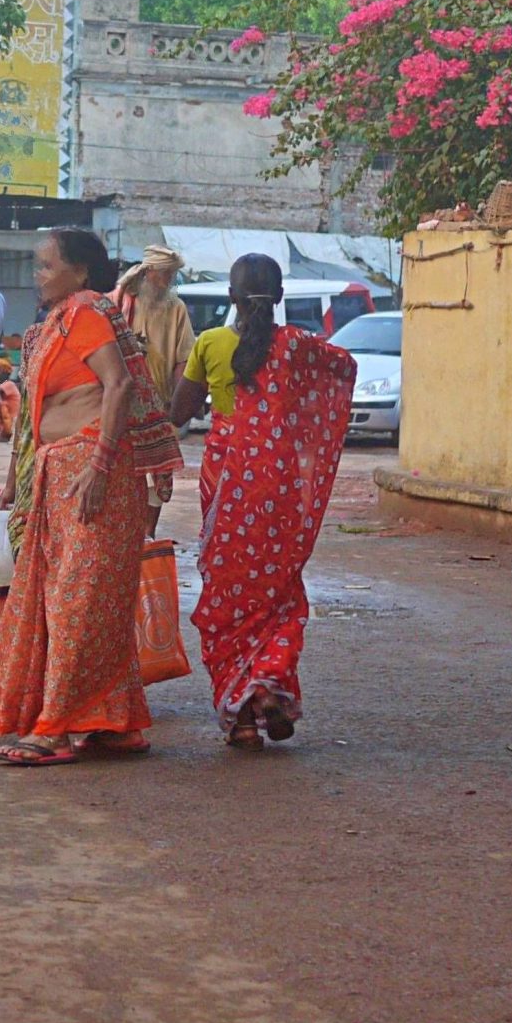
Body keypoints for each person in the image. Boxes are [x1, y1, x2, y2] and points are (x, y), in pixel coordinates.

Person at [0, 228, 181, 767]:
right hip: (67, 468)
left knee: (74, 603)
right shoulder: (67, 317)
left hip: (90, 470)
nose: (38, 275)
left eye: (45, 266)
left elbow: (118, 385)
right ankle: (115, 723)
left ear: (81, 272)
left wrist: (101, 462)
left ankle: (54, 729)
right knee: (90, 601)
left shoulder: (85, 311)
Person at [171, 253, 356, 747]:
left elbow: (179, 411)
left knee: (228, 590)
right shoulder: (297, 346)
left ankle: (244, 712)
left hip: (226, 478)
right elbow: (342, 370)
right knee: (278, 587)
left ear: (231, 297)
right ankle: (269, 682)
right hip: (279, 481)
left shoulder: (211, 343)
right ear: (278, 297)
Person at [116, 244, 193, 420]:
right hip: (125, 401)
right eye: (165, 272)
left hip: (160, 403)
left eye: (172, 273)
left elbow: (183, 359)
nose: (169, 279)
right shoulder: (121, 302)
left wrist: (177, 403)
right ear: (149, 271)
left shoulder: (176, 308)